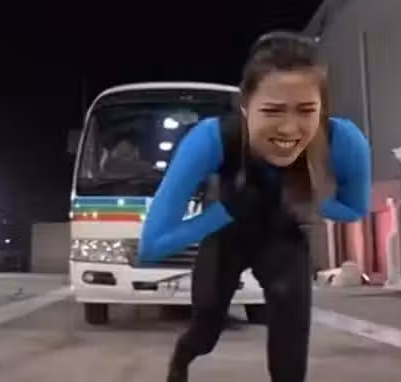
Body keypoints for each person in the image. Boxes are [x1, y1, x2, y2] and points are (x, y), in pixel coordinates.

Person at [139, 31, 371, 382]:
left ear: (322, 109)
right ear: (246, 109)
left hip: (282, 234)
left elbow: (355, 209)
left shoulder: (345, 141)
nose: (289, 129)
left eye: (306, 110)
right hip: (226, 235)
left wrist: (317, 201)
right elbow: (152, 246)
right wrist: (224, 212)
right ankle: (181, 361)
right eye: (272, 111)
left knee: (291, 341)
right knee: (206, 328)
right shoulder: (211, 139)